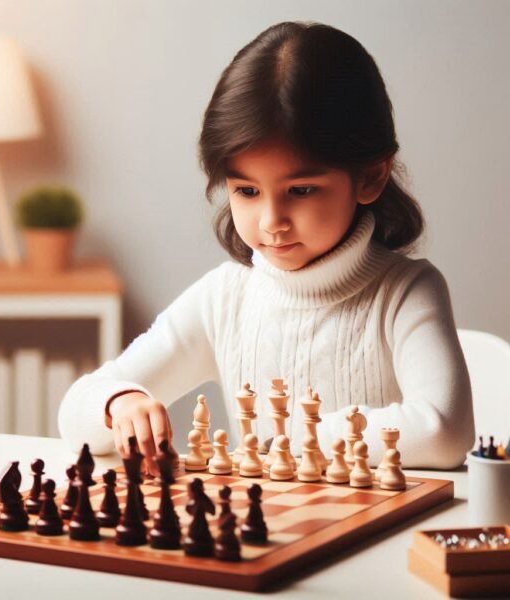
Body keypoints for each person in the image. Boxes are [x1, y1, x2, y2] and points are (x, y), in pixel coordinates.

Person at [58, 21, 474, 469]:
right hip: (269, 536)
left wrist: (294, 437)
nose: (272, 222)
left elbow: (444, 431)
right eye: (247, 192)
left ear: (370, 175)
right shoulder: (224, 299)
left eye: (301, 191)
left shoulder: (407, 292)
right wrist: (119, 403)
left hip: (382, 534)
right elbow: (75, 411)